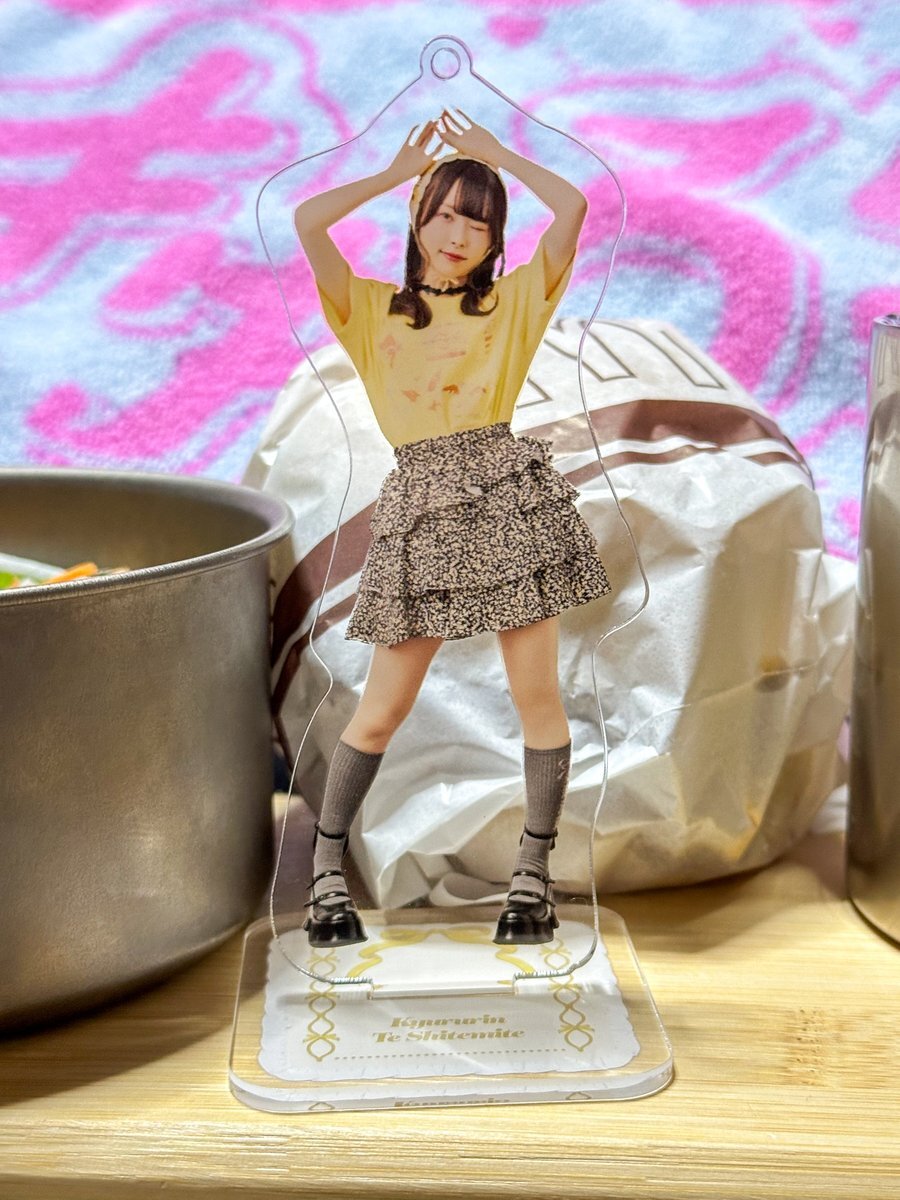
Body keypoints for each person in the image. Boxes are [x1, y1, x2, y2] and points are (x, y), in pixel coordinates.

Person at [292, 109, 611, 949]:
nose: (458, 234)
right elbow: (308, 222)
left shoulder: (513, 302)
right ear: (416, 220)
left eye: (478, 220)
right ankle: (326, 875)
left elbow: (573, 207)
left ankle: (531, 879)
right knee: (380, 709)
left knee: (537, 698)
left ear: (497, 237)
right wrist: (397, 174)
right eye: (442, 214)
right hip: (422, 510)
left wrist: (498, 155)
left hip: (506, 496)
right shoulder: (370, 309)